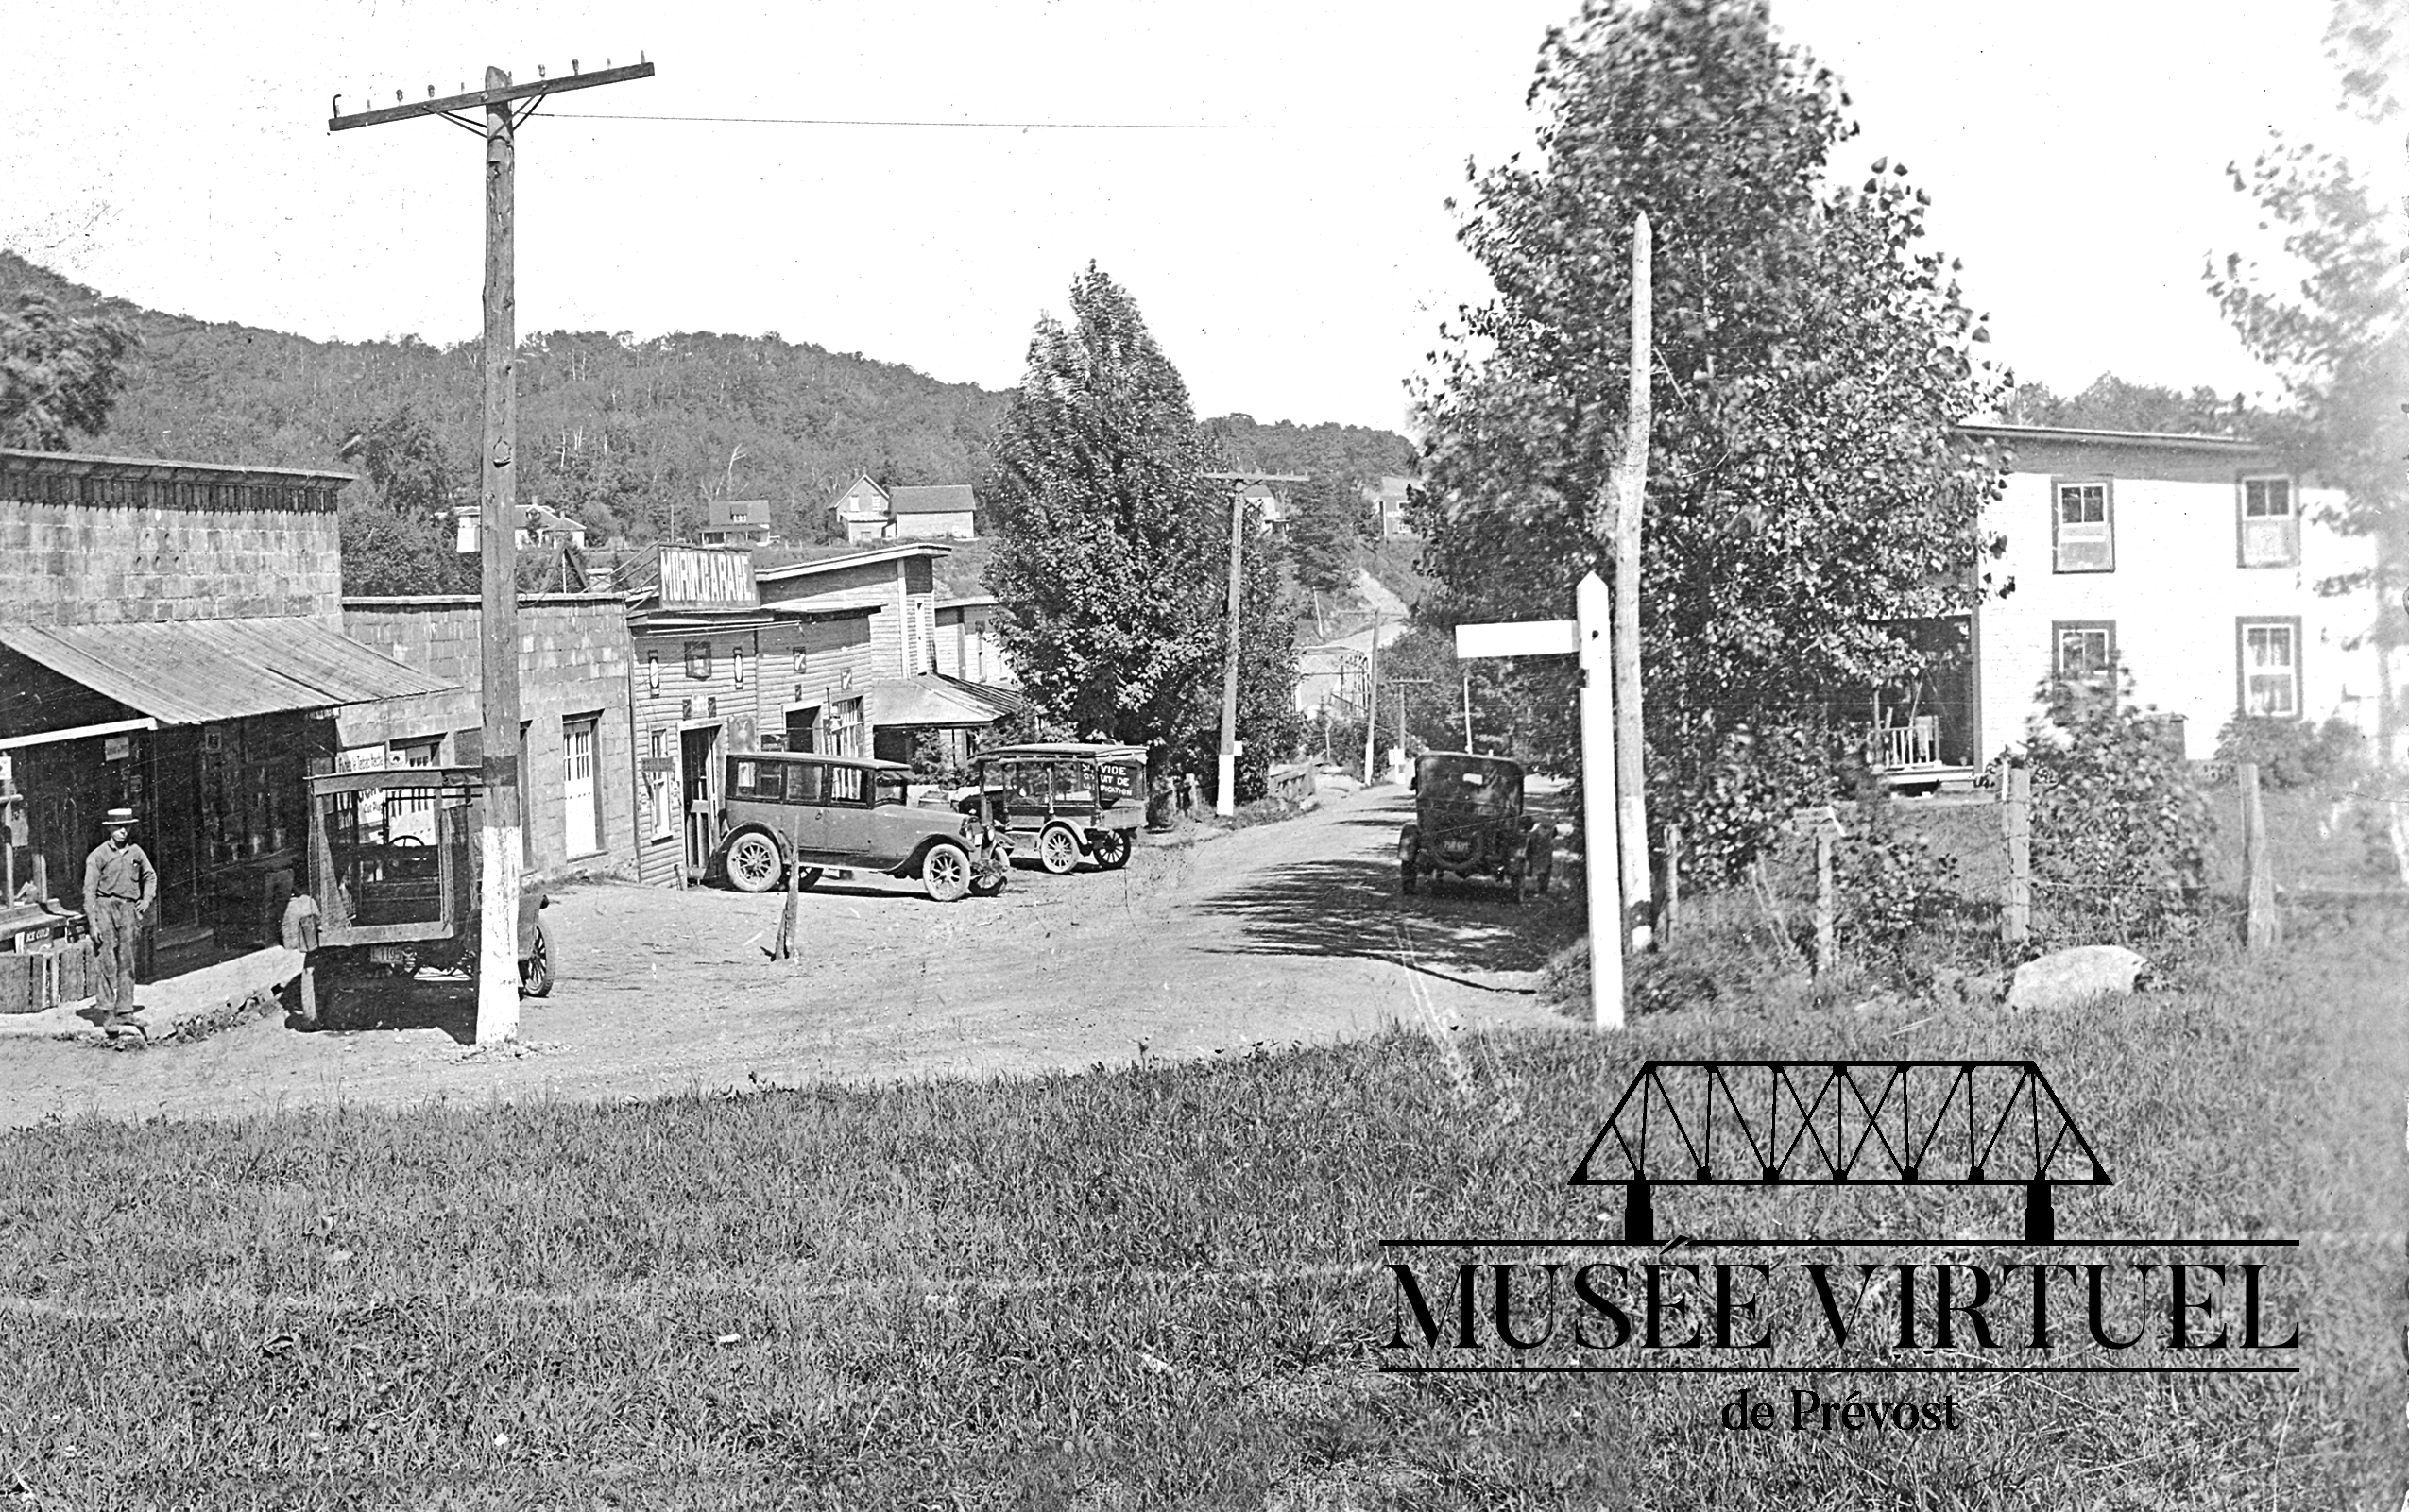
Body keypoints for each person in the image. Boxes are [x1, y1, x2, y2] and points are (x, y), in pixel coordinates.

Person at [81, 807, 155, 1027]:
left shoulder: (136, 852)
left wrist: (145, 900)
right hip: (105, 907)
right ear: (109, 829)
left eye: (127, 827)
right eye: (118, 827)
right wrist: (92, 923)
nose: (123, 831)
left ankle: (125, 1010)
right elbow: (89, 891)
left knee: (127, 960)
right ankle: (107, 1012)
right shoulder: (98, 856)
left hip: (128, 909)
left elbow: (150, 876)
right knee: (105, 959)